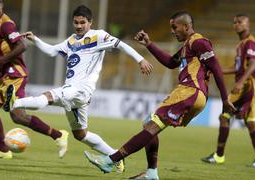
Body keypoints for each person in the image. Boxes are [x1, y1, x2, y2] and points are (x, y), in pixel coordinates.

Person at [84, 11, 236, 179]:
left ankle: (110, 161)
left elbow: (216, 68)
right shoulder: (188, 45)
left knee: (152, 125)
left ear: (186, 26)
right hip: (194, 95)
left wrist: (225, 99)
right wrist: (149, 44)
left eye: (174, 27)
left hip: (189, 91)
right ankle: (151, 173)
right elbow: (171, 63)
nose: (172, 31)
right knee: (149, 124)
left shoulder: (200, 42)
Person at [3, 5, 153, 173]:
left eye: (83, 22)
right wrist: (35, 40)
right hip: (75, 93)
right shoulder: (72, 40)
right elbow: (52, 51)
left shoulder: (99, 36)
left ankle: (14, 103)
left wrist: (141, 60)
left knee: (48, 96)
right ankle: (116, 156)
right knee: (80, 134)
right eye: (76, 22)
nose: (79, 26)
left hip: (80, 89)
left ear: (90, 22)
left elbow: (122, 45)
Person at [0, 0, 69, 159]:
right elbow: (1, 52)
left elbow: (22, 46)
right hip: (3, 75)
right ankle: (3, 150)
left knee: (18, 116)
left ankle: (59, 135)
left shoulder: (6, 24)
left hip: (15, 74)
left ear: (1, 4)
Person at [201, 14, 255, 168]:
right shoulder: (241, 45)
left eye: (240, 22)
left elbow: (252, 65)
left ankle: (219, 156)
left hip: (246, 86)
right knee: (251, 122)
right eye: (234, 22)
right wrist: (216, 70)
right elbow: (236, 68)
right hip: (248, 85)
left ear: (248, 25)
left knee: (224, 116)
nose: (236, 25)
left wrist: (240, 82)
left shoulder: (250, 43)